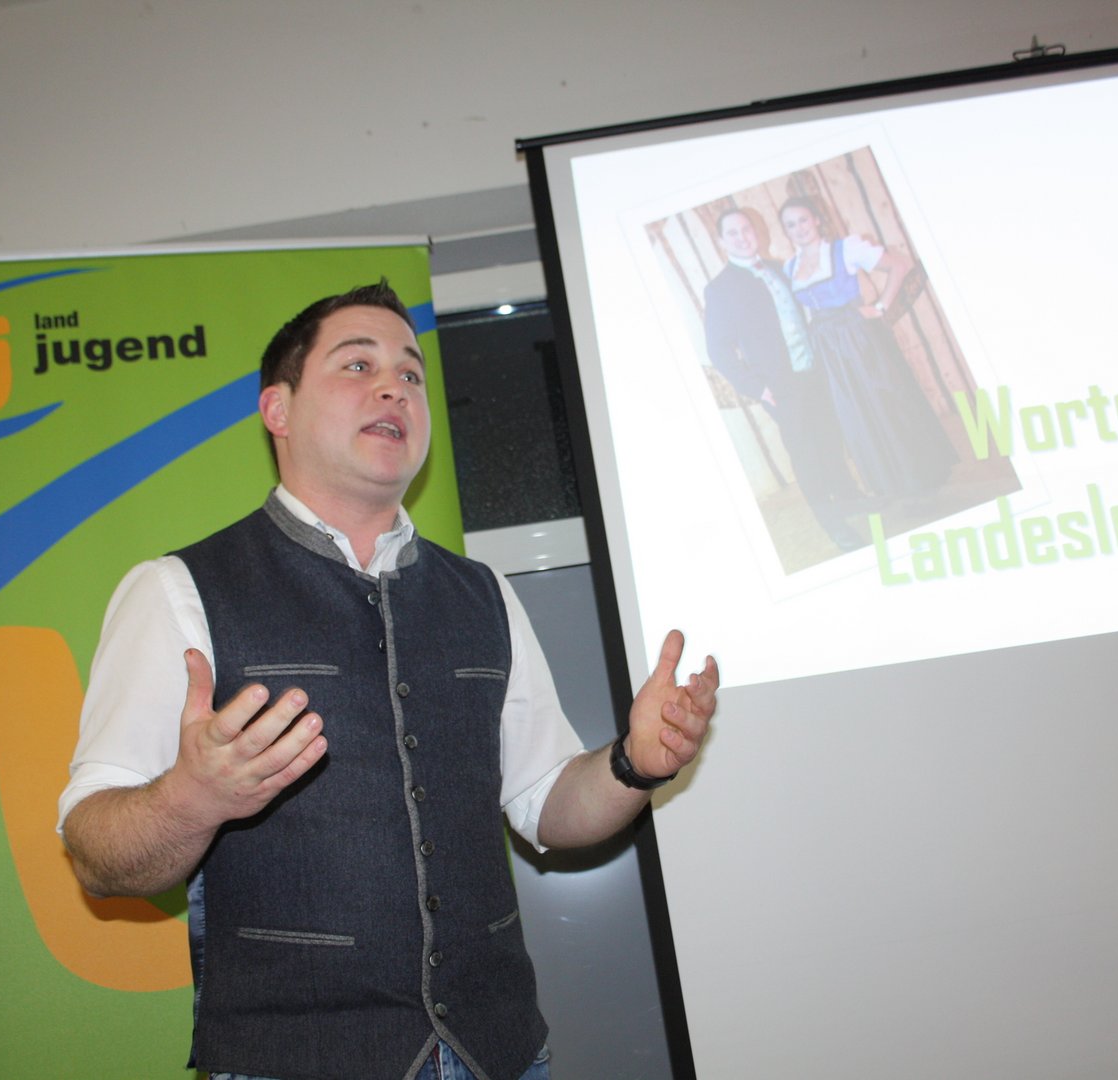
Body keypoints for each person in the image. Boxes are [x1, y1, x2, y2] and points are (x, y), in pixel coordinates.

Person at [58, 281, 718, 1080]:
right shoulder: (177, 591)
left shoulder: (484, 594)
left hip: (501, 1053)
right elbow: (95, 852)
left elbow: (547, 802)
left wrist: (634, 764)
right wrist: (191, 798)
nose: (393, 387)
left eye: (410, 373)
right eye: (357, 365)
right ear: (277, 409)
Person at [703, 207, 867, 551]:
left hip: (813, 371)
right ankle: (832, 523)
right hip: (778, 387)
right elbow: (719, 349)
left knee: (829, 439)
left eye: (746, 229)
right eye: (732, 233)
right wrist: (756, 388)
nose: (742, 237)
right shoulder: (720, 289)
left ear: (757, 231)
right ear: (721, 242)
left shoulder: (781, 269)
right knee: (806, 454)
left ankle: (850, 498)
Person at [779, 196, 956, 499]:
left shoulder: (845, 249)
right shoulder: (790, 267)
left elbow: (899, 265)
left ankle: (920, 480)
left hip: (859, 339)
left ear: (817, 220)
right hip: (827, 347)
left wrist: (880, 306)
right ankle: (891, 485)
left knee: (886, 404)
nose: (799, 229)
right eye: (791, 225)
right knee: (856, 414)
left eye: (804, 220)